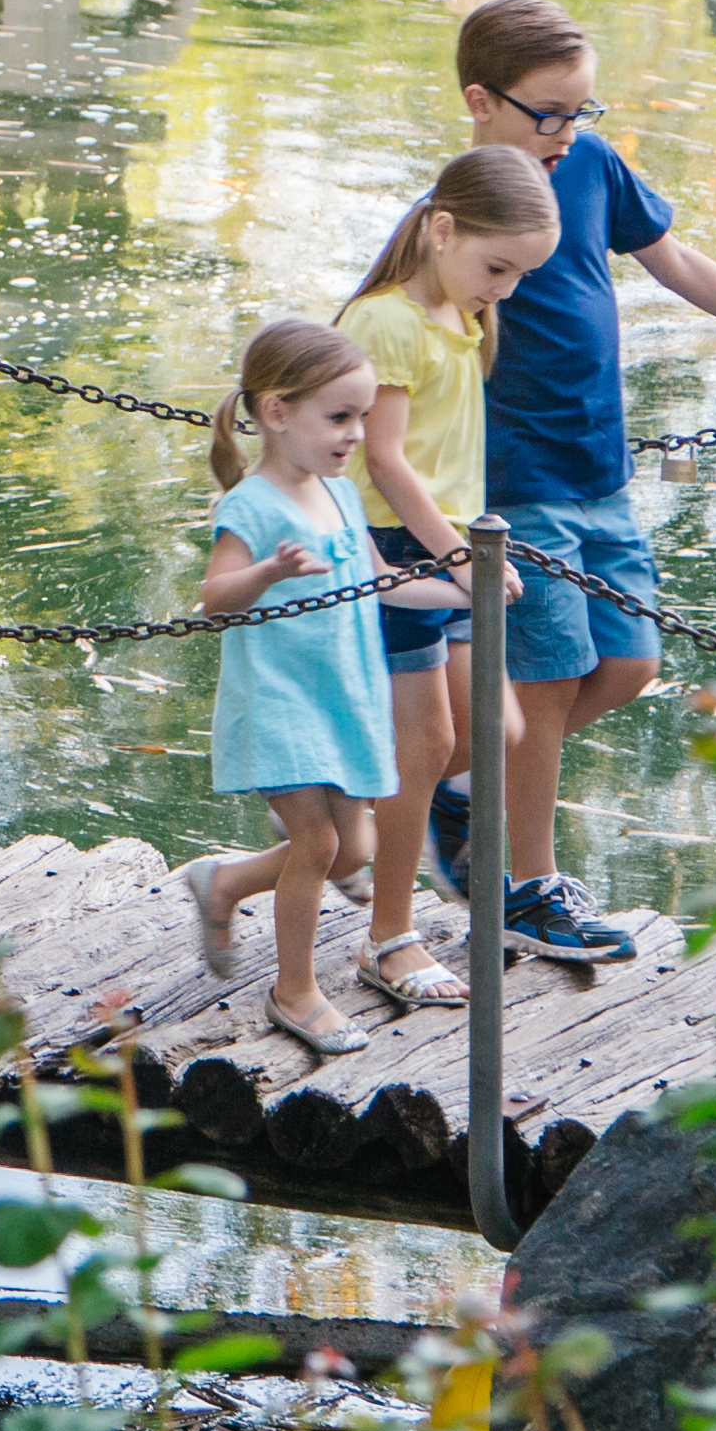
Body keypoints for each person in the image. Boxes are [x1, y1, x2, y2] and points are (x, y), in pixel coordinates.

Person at [436, 0, 716, 960]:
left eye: (583, 110)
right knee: (548, 681)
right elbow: (401, 333)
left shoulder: (592, 168)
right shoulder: (458, 211)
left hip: (602, 473)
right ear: (482, 102)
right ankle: (525, 886)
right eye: (548, 113)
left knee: (629, 664)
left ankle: (458, 780)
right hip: (515, 484)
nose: (567, 132)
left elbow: (672, 258)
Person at [336, 149, 563, 999]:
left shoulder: (463, 317)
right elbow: (388, 463)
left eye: (519, 276)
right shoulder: (387, 323)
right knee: (426, 744)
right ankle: (389, 938)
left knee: (492, 732)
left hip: (451, 545)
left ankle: (359, 820)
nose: (504, 288)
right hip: (402, 549)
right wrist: (459, 558)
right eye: (495, 266)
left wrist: (466, 548)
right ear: (441, 230)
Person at [172, 317, 417, 1056]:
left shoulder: (339, 495)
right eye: (338, 417)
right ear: (277, 413)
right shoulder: (251, 506)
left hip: (344, 695)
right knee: (315, 845)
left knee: (353, 851)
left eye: (362, 418)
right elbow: (215, 597)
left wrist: (467, 589)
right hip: (281, 699)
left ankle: (226, 883)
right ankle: (296, 992)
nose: (354, 434)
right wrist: (270, 573)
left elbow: (379, 581)